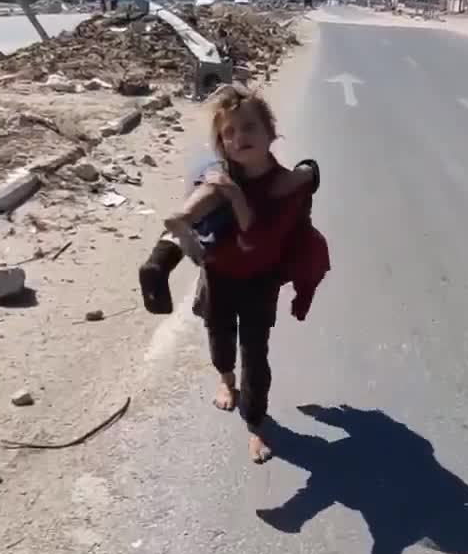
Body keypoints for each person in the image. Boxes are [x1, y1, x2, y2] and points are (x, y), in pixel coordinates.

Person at [138, 85, 329, 463]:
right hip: (219, 275)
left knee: (255, 354)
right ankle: (226, 380)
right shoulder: (220, 173)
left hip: (261, 279)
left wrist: (243, 194)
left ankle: (256, 424)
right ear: (221, 143)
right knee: (220, 342)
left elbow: (258, 239)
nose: (239, 137)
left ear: (271, 133)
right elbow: (215, 186)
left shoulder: (284, 186)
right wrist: (219, 194)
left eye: (248, 128)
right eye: (229, 133)